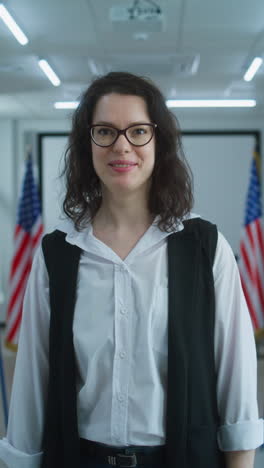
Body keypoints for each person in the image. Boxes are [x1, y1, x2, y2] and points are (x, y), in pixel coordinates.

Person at [0, 71, 263, 468]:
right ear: (87, 143)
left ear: (159, 142)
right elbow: (33, 383)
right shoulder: (57, 253)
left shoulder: (205, 247)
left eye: (138, 131)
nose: (122, 146)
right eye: (105, 131)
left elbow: (236, 379)